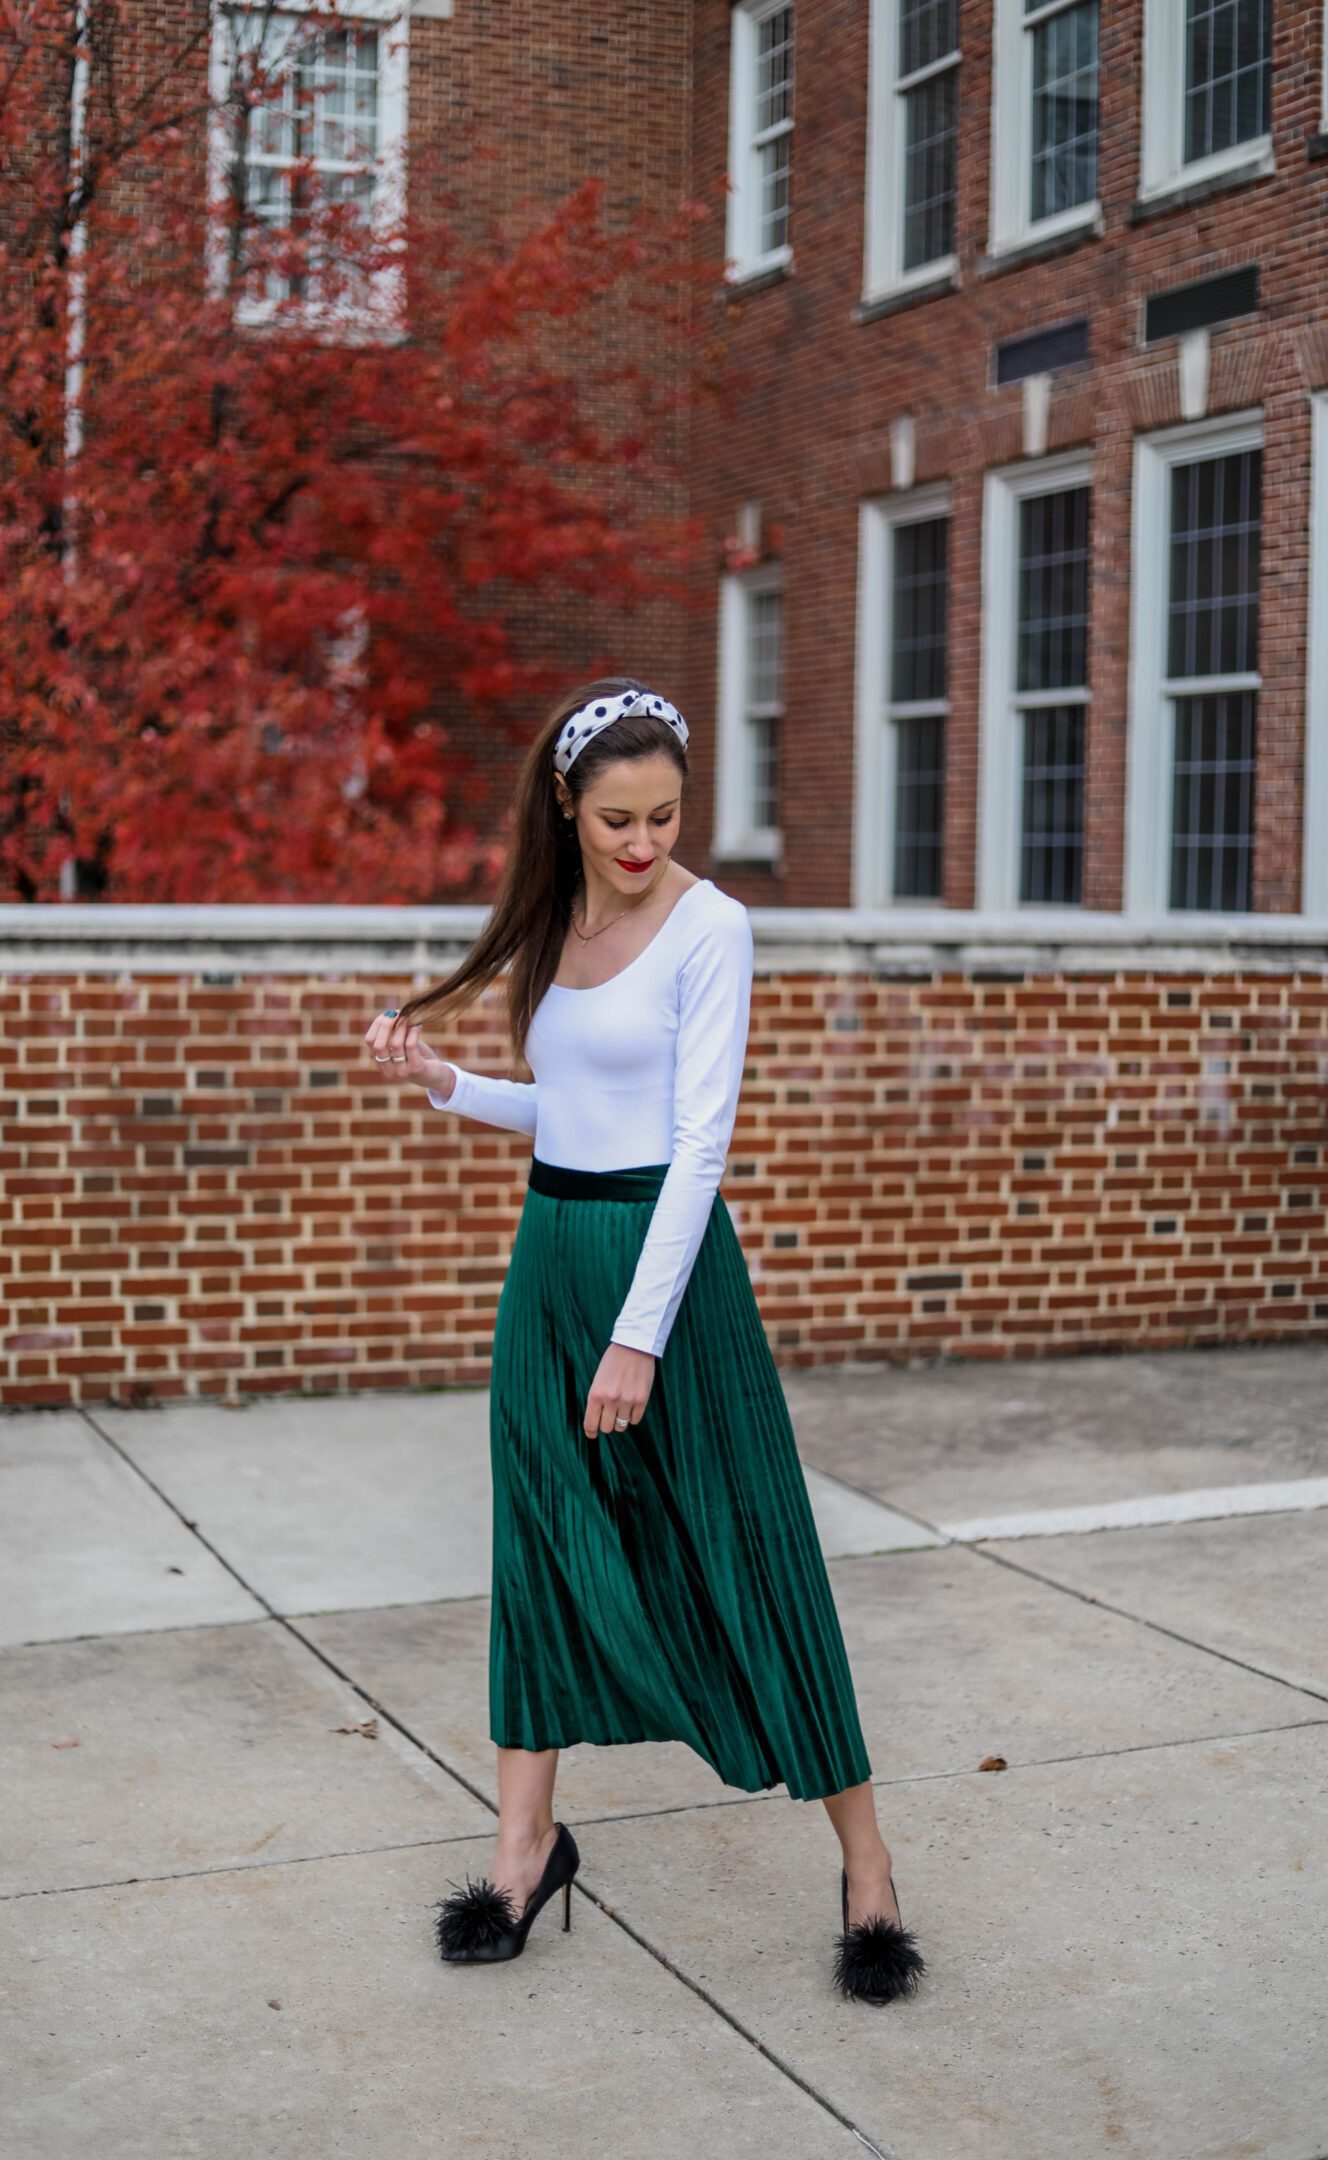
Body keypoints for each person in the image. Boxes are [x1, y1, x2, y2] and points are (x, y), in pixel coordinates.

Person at [362, 678, 926, 2006]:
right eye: (617, 819)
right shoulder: (552, 918)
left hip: (664, 1287)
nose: (642, 843)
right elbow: (571, 1112)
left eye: (664, 816)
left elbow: (695, 1144)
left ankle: (869, 1866)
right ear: (565, 808)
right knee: (541, 1546)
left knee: (748, 1550)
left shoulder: (712, 927)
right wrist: (448, 1087)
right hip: (550, 1265)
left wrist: (639, 1340)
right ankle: (524, 1849)